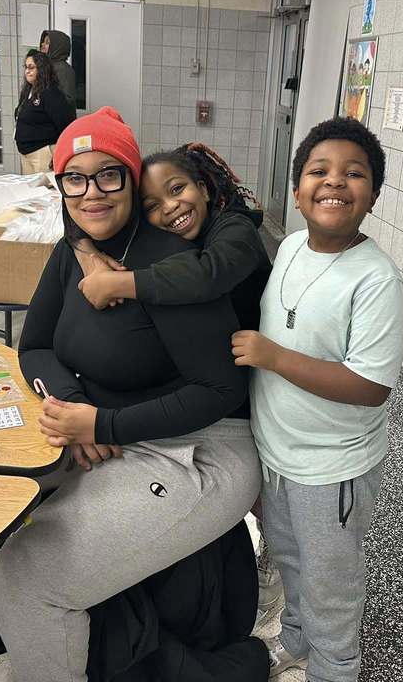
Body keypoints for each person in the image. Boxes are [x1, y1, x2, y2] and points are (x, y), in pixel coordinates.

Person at [0, 107, 265, 682]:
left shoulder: (169, 263)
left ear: (130, 177)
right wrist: (72, 406)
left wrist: (102, 425)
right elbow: (34, 347)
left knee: (29, 578)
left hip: (202, 449)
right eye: (74, 178)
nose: (91, 192)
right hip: (114, 428)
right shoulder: (73, 251)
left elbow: (221, 390)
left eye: (108, 175)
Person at [73, 142, 284, 627]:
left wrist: (118, 284)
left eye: (177, 189)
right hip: (225, 368)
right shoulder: (167, 240)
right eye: (152, 204)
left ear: (204, 188)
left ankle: (278, 568)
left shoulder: (235, 229)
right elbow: (80, 219)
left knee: (269, 488)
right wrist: (85, 249)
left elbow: (208, 276)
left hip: (266, 375)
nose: (170, 207)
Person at [231, 117, 403, 682]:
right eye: (319, 171)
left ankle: (335, 666)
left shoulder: (377, 280)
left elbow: (371, 386)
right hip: (279, 454)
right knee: (288, 558)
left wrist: (273, 357)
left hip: (332, 469)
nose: (335, 181)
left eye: (354, 173)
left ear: (372, 196)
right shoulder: (289, 247)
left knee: (332, 580)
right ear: (297, 190)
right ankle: (296, 639)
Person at [14, 48, 75, 175]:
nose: (27, 71)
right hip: (26, 153)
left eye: (31, 67)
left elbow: (65, 125)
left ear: (41, 69)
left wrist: (61, 153)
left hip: (43, 153)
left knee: (44, 187)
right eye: (26, 67)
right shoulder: (28, 91)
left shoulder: (51, 93)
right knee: (29, 187)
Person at [40, 29, 77, 107]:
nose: (42, 44)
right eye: (43, 42)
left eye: (47, 43)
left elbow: (67, 101)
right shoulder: (47, 65)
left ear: (57, 47)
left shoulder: (63, 69)